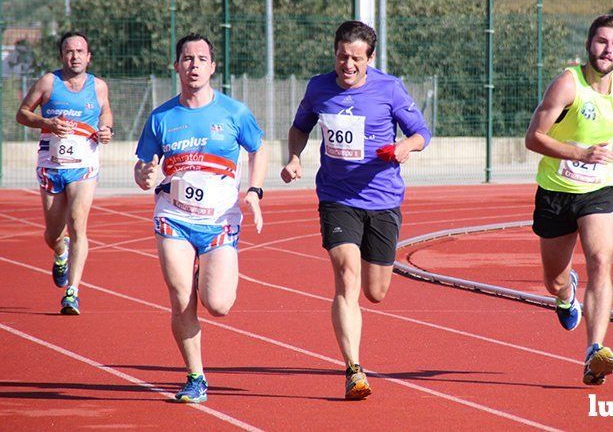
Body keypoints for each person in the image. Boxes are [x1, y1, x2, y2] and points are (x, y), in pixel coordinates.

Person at [280, 21, 431, 400]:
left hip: (383, 199)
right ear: (334, 52)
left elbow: (422, 133)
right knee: (346, 272)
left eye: (356, 59)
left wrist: (404, 148)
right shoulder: (318, 87)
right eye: (342, 56)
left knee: (376, 292)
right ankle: (354, 370)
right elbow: (300, 127)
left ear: (370, 59)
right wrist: (294, 158)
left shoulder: (389, 88)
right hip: (337, 198)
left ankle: (356, 357)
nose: (348, 65)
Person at [133, 33, 268, 403]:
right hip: (173, 218)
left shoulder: (234, 113)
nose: (194, 65)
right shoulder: (161, 117)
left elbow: (259, 150)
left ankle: (202, 271)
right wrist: (143, 175)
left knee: (219, 304)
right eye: (187, 59)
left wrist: (254, 191)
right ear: (177, 66)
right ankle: (196, 377)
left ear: (213, 67)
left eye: (201, 59)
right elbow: (144, 167)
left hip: (220, 220)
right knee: (180, 299)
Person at [524, 15, 613, 385]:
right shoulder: (568, 84)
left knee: (601, 260)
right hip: (556, 191)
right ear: (588, 44)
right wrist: (577, 154)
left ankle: (594, 351)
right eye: (601, 42)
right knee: (554, 278)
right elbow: (533, 138)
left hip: (600, 191)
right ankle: (566, 294)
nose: (607, 50)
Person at [16, 31, 113, 315]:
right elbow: (22, 113)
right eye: (70, 51)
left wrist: (106, 129)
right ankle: (60, 252)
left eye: (80, 51)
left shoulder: (98, 86)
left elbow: (106, 112)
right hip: (52, 164)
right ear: (62, 56)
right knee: (53, 234)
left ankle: (73, 292)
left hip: (84, 165)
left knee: (78, 223)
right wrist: (46, 121)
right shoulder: (49, 82)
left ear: (88, 56)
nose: (75, 56)